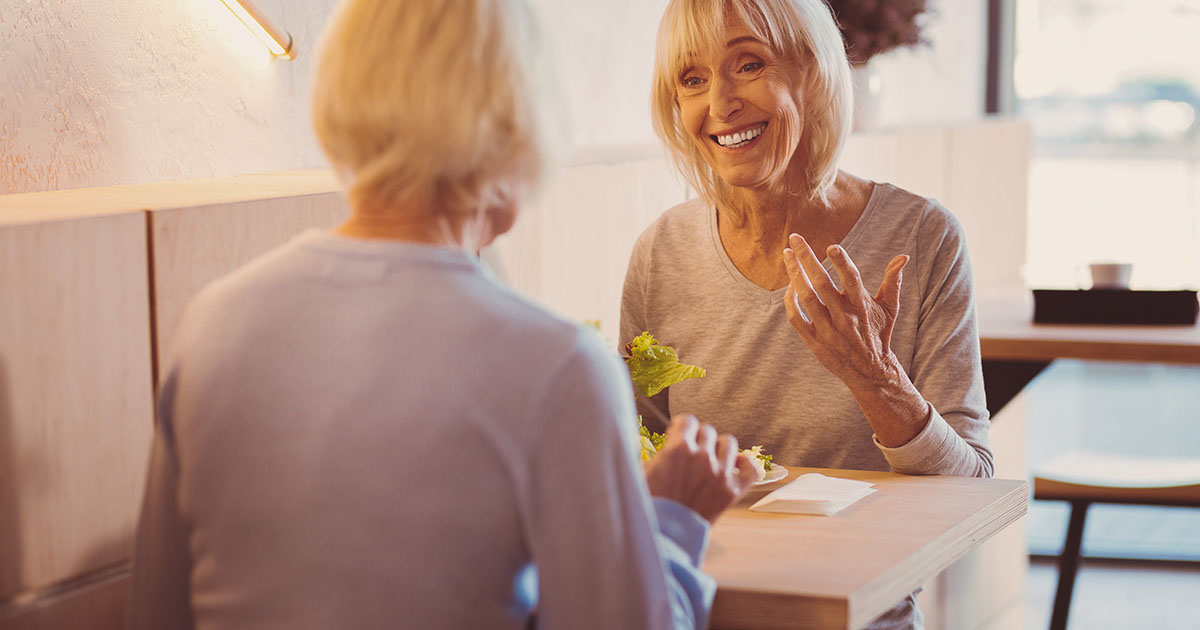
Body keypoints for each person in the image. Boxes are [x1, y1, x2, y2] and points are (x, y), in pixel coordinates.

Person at [129, 1, 758, 628]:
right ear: (519, 121)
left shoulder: (212, 325)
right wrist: (675, 520)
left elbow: (154, 612)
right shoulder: (557, 367)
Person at [621, 0, 994, 628]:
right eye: (692, 79)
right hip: (704, 609)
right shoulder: (661, 252)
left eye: (748, 65)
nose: (719, 103)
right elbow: (638, 471)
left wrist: (878, 381)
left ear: (813, 74)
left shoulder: (923, 236)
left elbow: (971, 491)